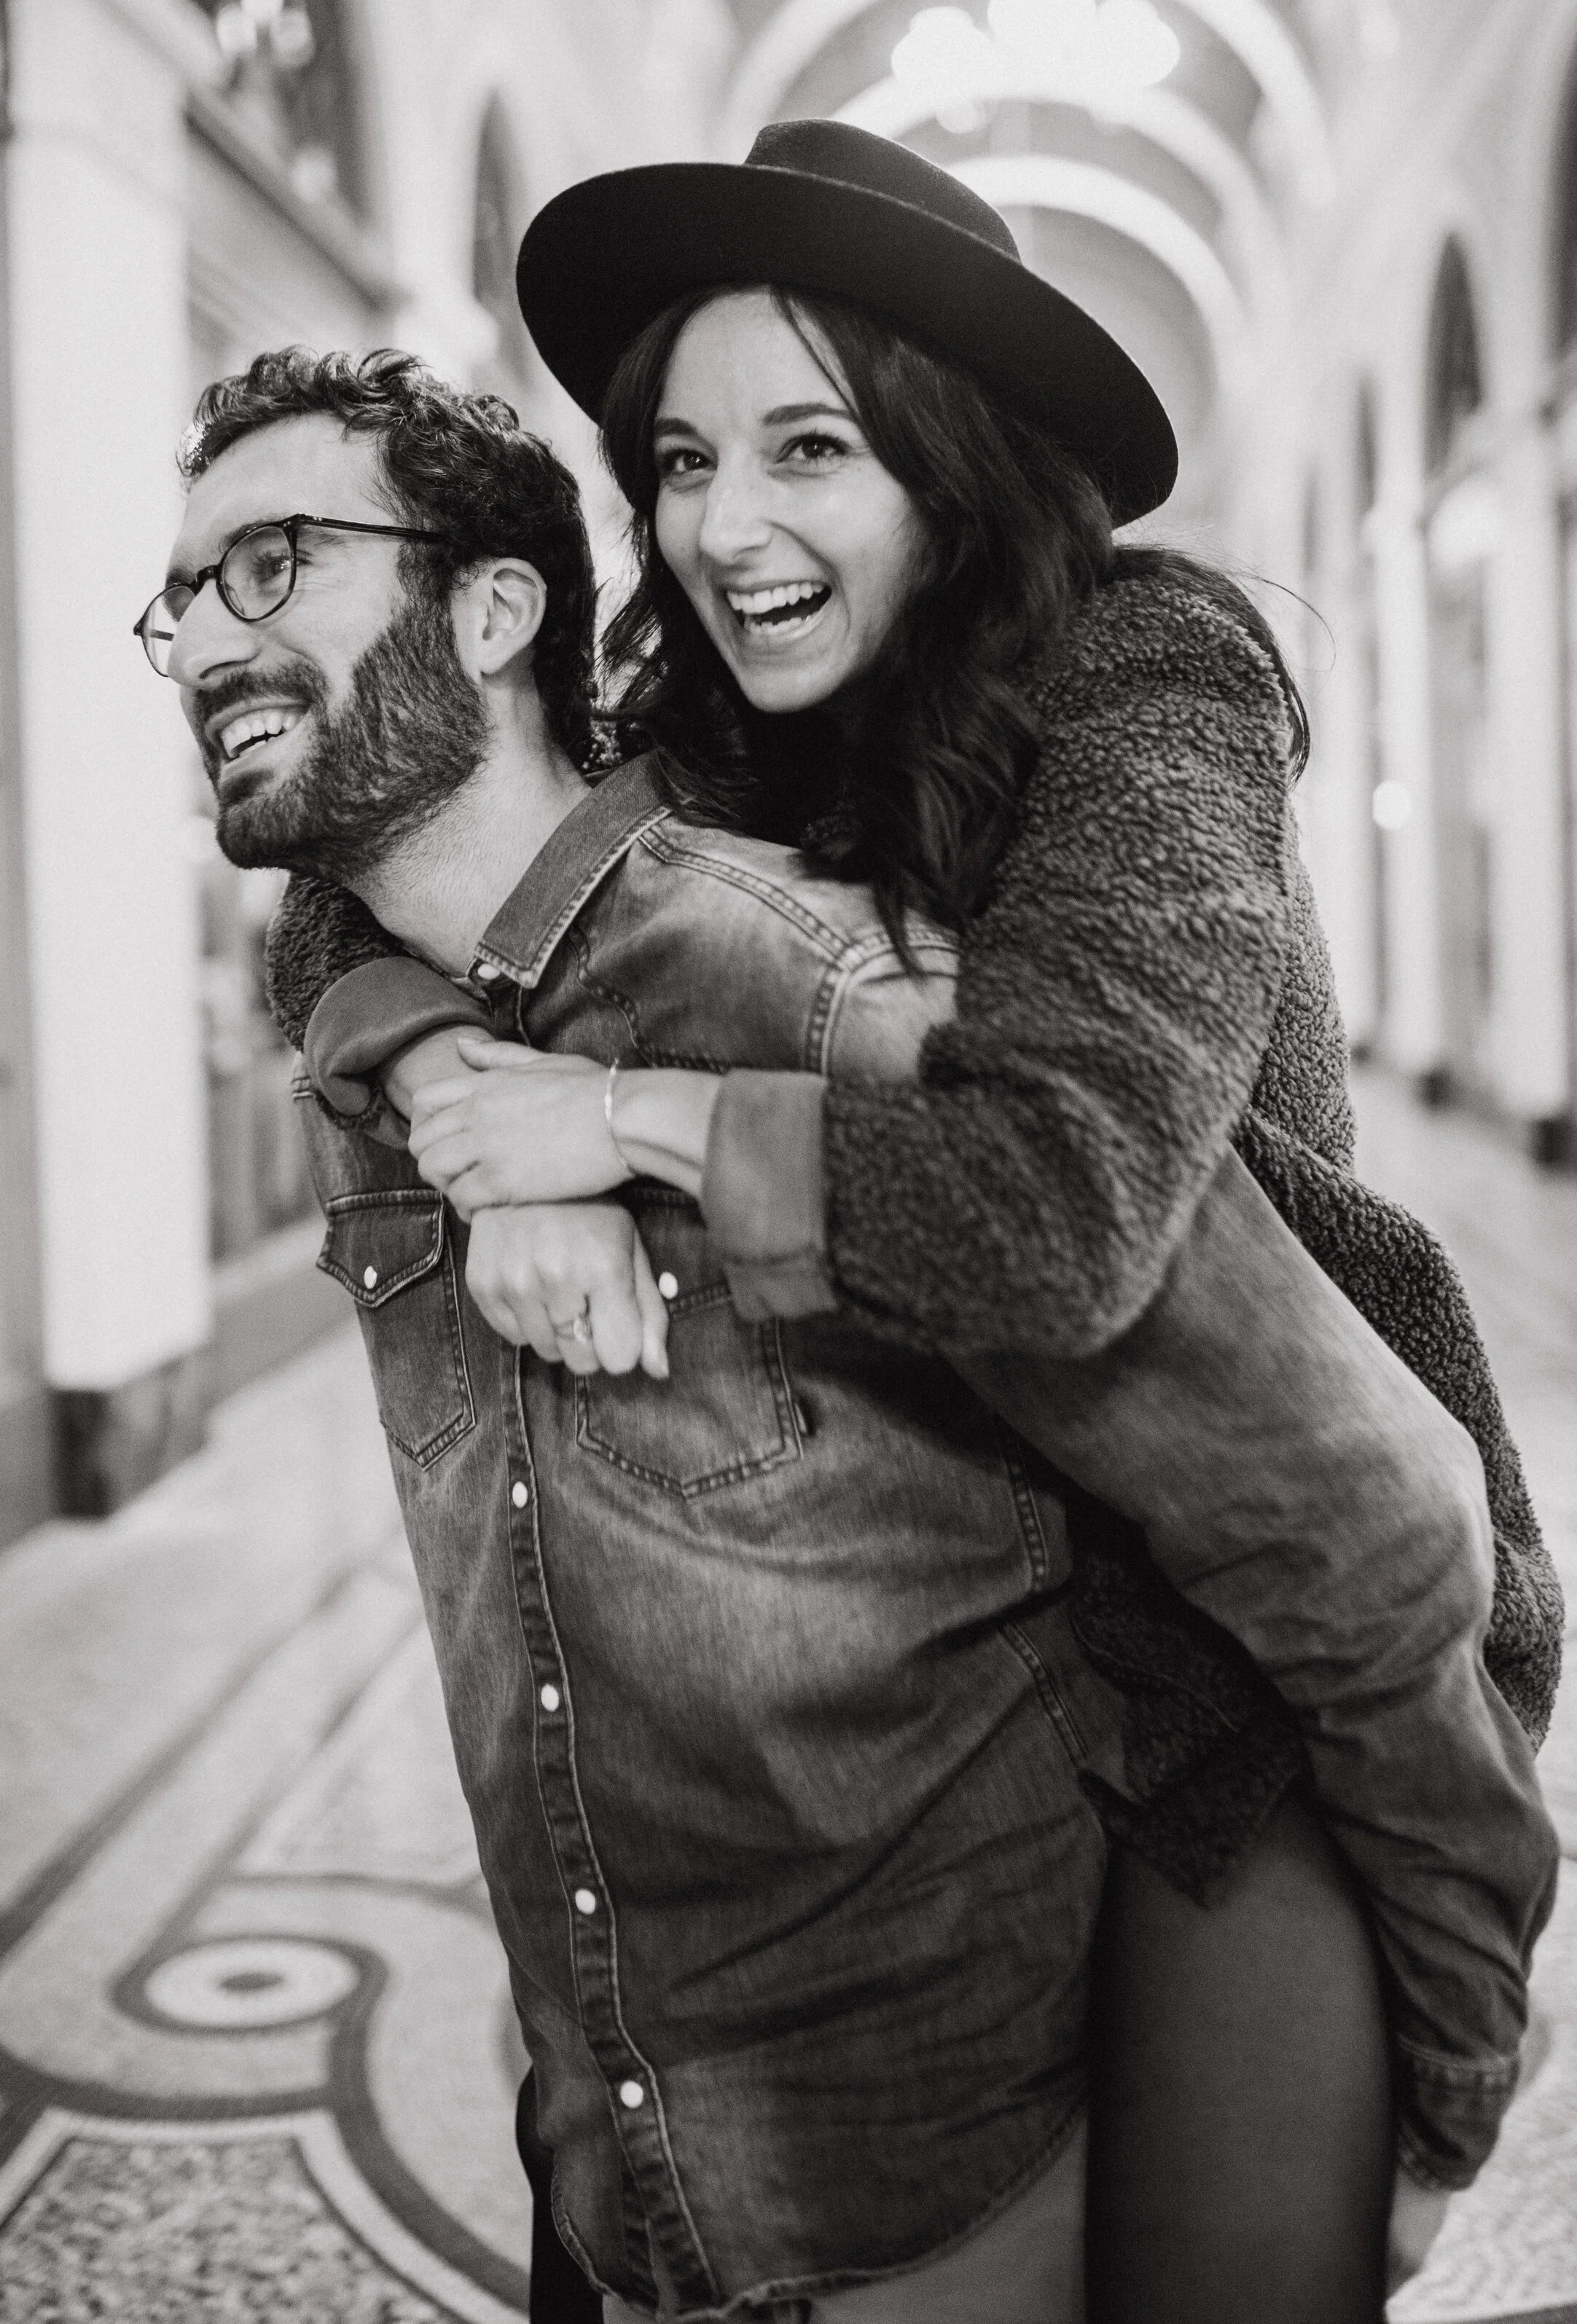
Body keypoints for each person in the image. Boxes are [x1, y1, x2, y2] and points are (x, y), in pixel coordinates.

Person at [254, 136, 1560, 2318]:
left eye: (806, 447)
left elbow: (1057, 1206)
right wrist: (439, 1074)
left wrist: (625, 1110)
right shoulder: (696, 734)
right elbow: (360, 879)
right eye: (678, 457)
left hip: (1230, 1644)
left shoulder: (1153, 671)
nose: (721, 524)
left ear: (954, 467)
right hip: (912, 1640)